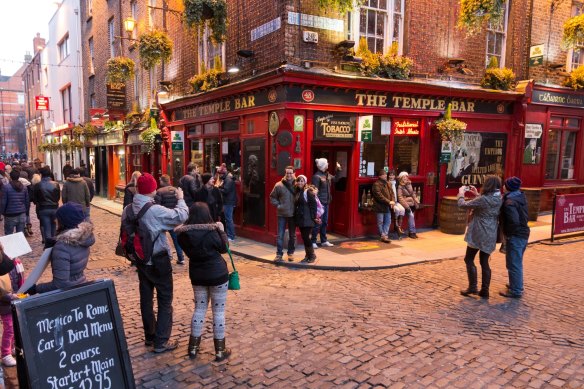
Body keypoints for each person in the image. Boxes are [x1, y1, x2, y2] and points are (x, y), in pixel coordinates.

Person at [121, 173, 188, 353]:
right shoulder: (154, 210)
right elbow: (181, 215)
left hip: (141, 259)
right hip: (158, 259)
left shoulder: (128, 208)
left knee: (146, 298)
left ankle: (150, 336)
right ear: (152, 189)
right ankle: (161, 342)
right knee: (165, 300)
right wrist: (180, 199)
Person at [175, 202, 231, 361]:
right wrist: (222, 230)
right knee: (218, 312)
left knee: (199, 309)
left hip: (198, 275)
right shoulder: (213, 231)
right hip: (217, 274)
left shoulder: (183, 234)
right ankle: (220, 350)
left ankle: (193, 348)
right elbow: (224, 248)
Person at [29, 202, 95, 294]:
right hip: (80, 284)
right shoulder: (83, 237)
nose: (55, 221)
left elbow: (60, 284)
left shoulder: (62, 247)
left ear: (64, 221)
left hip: (68, 294)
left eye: (58, 219)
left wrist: (36, 289)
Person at [457, 176, 502, 299]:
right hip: (491, 232)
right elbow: (485, 204)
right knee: (484, 262)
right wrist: (477, 194)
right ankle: (485, 290)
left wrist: (461, 193)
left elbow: (462, 205)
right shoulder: (499, 198)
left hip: (478, 232)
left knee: (469, 259)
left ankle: (473, 287)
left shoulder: (484, 199)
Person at [499, 176, 530, 298]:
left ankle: (516, 290)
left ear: (508, 187)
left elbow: (514, 221)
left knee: (514, 263)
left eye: (504, 184)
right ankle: (515, 284)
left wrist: (509, 234)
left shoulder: (510, 203)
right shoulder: (519, 197)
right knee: (516, 261)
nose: (502, 186)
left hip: (516, 235)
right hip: (523, 233)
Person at [0, 248, 24, 367]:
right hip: (4, 305)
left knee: (15, 325)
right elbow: (2, 291)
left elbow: (19, 281)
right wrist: (11, 296)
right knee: (9, 328)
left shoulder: (15, 264)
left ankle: (13, 347)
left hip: (13, 299)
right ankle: (5, 353)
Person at [155, 174, 185, 265]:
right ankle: (181, 257)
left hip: (163, 218)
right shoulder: (176, 190)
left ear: (163, 181)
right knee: (176, 240)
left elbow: (157, 205)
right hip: (173, 218)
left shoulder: (159, 191)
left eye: (160, 181)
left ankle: (164, 257)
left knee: (160, 239)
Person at [311, 158, 341, 248]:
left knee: (324, 222)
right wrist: (317, 203)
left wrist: (338, 169)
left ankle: (324, 240)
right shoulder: (316, 176)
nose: (328, 164)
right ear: (323, 165)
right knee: (318, 222)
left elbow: (336, 179)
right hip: (320, 203)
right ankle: (313, 241)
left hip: (326, 202)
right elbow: (314, 191)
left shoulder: (327, 175)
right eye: (327, 163)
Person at [269, 166, 296, 262]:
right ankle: (279, 254)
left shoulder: (297, 185)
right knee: (280, 235)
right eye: (287, 173)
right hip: (282, 214)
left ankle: (290, 253)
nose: (289, 174)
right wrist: (279, 205)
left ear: (294, 173)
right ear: (285, 173)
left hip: (293, 214)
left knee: (292, 235)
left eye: (290, 173)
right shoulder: (279, 185)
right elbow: (272, 197)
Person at [32, 166, 61, 244]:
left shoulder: (38, 185)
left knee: (46, 227)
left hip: (43, 208)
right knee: (54, 226)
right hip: (54, 207)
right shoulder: (56, 184)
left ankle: (49, 245)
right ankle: (53, 244)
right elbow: (58, 197)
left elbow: (34, 198)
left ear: (41, 174)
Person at [294, 175, 319, 263]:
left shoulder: (307, 192)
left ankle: (312, 255)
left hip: (308, 218)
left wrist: (313, 217)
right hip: (301, 219)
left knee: (306, 237)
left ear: (305, 182)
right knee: (305, 238)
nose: (300, 182)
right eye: (298, 181)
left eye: (302, 181)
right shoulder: (297, 191)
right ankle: (307, 255)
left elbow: (314, 205)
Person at [1, 170, 30, 235]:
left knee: (9, 234)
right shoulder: (24, 188)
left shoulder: (6, 188)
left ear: (10, 177)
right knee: (20, 235)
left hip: (10, 214)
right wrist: (26, 211)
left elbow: (3, 202)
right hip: (21, 213)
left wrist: (2, 212)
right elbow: (27, 201)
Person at [371, 169, 395, 243]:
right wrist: (389, 202)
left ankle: (384, 235)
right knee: (380, 222)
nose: (385, 175)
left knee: (388, 221)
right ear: (380, 176)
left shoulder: (388, 183)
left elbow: (392, 193)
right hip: (379, 206)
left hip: (387, 206)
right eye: (383, 174)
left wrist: (393, 202)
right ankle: (383, 236)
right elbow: (379, 196)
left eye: (385, 174)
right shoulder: (376, 184)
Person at [396, 171, 420, 239]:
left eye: (406, 176)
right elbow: (400, 198)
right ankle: (412, 232)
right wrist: (407, 207)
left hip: (411, 203)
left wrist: (416, 201)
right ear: (401, 178)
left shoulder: (409, 184)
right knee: (411, 215)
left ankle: (412, 232)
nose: (405, 178)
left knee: (412, 217)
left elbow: (412, 193)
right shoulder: (400, 186)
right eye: (404, 177)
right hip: (405, 204)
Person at [218, 164, 237, 242]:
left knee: (228, 219)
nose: (219, 175)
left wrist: (218, 188)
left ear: (223, 173)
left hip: (229, 202)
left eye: (220, 174)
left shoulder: (228, 180)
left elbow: (226, 191)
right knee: (228, 218)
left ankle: (231, 236)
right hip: (228, 201)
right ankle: (230, 234)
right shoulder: (227, 179)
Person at [388, 170, 405, 235]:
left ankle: (399, 226)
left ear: (395, 176)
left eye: (392, 175)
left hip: (396, 201)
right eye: (390, 175)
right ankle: (396, 226)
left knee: (402, 209)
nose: (391, 176)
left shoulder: (396, 183)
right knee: (397, 210)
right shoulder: (387, 183)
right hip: (391, 201)